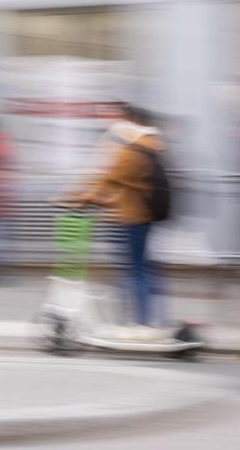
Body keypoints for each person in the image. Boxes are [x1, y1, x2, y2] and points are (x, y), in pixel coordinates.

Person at [73, 104, 167, 340]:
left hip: (130, 217)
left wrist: (80, 198)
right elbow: (112, 179)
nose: (113, 125)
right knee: (140, 269)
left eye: (118, 121)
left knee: (134, 271)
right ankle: (145, 321)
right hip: (136, 215)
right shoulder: (146, 146)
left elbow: (109, 176)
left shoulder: (132, 150)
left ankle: (140, 323)